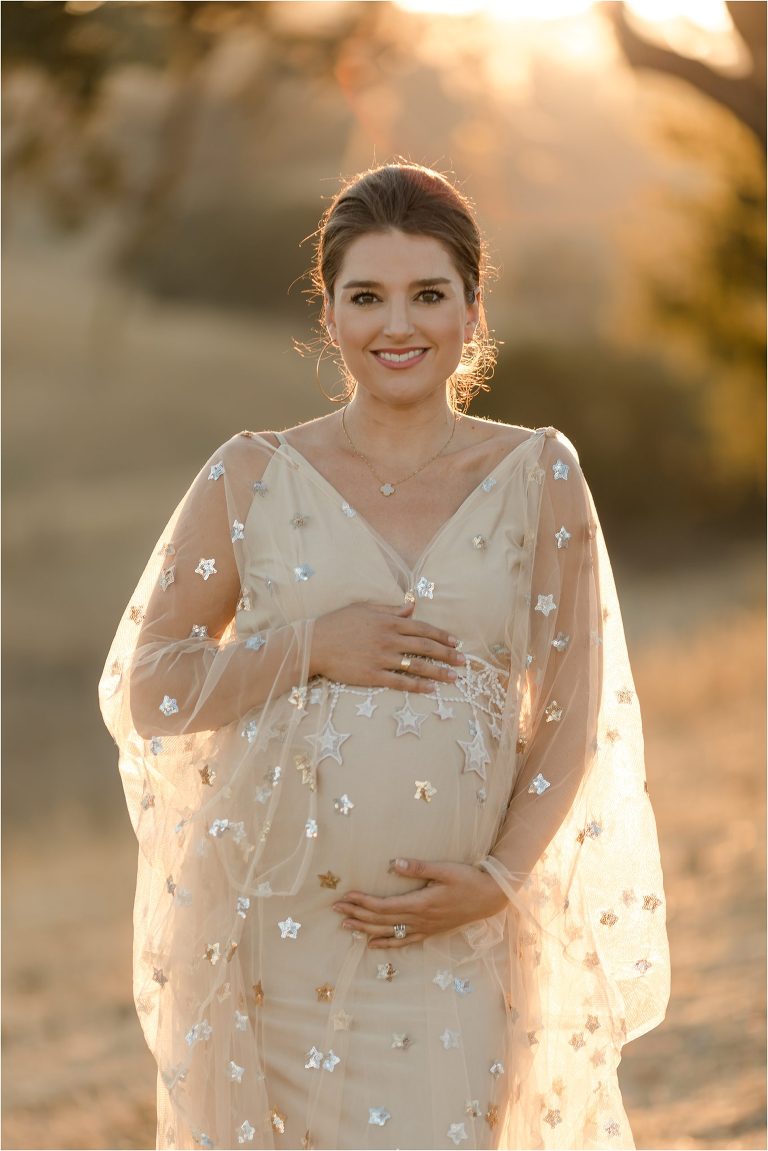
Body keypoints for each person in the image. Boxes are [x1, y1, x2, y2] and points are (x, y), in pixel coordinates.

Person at [99, 162, 669, 1151]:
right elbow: (150, 686)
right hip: (272, 943)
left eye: (427, 295)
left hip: (464, 938)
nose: (395, 326)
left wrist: (497, 875)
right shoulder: (250, 474)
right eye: (365, 296)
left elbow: (575, 716)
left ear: (472, 310)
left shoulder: (539, 473)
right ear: (328, 315)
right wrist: (312, 645)